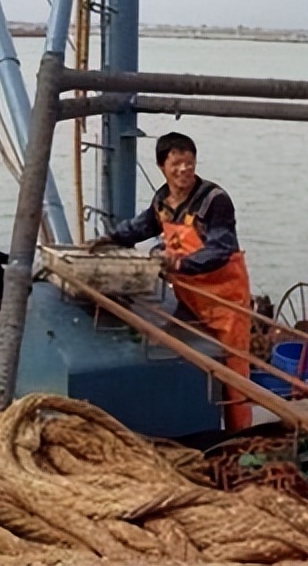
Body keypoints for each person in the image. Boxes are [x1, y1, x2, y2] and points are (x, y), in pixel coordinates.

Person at [89, 132, 253, 431]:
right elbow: (142, 226)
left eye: (189, 163)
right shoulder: (162, 200)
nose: (184, 170)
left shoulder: (214, 201)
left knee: (234, 375)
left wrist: (179, 263)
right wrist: (110, 239)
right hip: (188, 297)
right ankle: (193, 424)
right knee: (187, 360)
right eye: (176, 164)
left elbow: (221, 247)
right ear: (161, 166)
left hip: (225, 300)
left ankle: (240, 437)